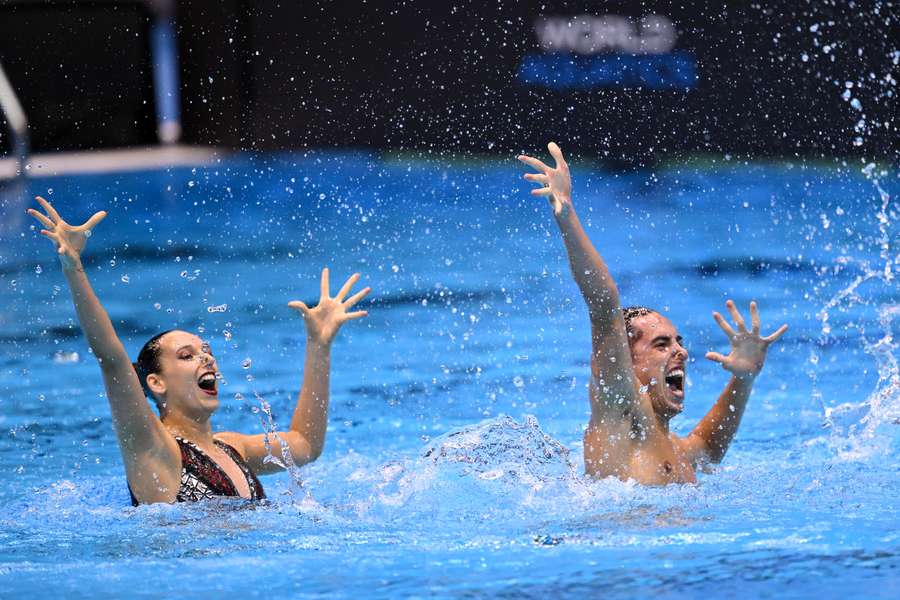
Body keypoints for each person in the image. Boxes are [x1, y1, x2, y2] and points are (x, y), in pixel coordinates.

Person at [27, 197, 370, 504]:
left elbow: (305, 444)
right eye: (186, 355)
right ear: (156, 383)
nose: (206, 357)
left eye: (206, 351)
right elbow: (113, 361)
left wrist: (319, 346)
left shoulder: (232, 448)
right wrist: (74, 266)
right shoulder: (154, 449)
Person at [518, 143, 788, 484]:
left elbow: (708, 448)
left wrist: (743, 379)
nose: (681, 352)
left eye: (678, 342)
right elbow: (604, 306)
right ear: (626, 361)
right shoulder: (620, 411)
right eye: (662, 344)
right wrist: (567, 215)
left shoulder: (671, 445)